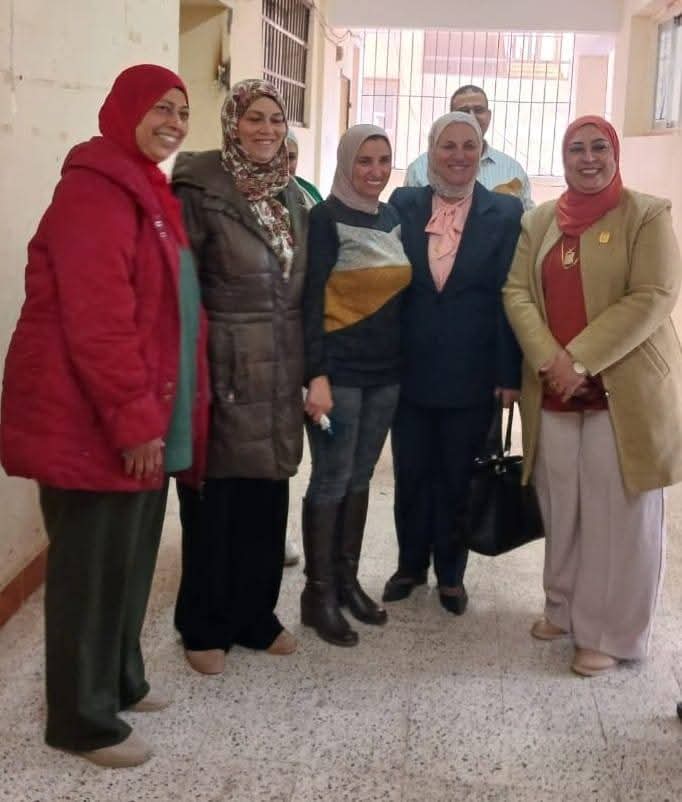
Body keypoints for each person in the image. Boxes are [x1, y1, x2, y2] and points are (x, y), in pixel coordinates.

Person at [0, 64, 208, 768]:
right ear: (124, 110)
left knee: (127, 560)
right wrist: (134, 419)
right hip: (93, 418)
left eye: (182, 111)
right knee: (89, 574)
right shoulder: (93, 190)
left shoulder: (145, 187)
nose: (174, 122)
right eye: (160, 109)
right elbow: (99, 319)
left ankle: (119, 680)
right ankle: (81, 722)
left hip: (140, 410)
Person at [503, 115, 682, 676]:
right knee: (563, 505)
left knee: (617, 514)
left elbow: (653, 295)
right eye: (576, 148)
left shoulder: (645, 214)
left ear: (614, 153)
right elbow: (517, 291)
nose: (587, 158)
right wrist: (551, 362)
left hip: (621, 392)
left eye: (598, 147)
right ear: (562, 157)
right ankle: (563, 607)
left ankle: (610, 633)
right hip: (555, 392)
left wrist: (578, 360)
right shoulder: (539, 220)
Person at [172, 79, 309, 675]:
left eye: (275, 119)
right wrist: (194, 369)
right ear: (232, 123)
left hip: (280, 369)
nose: (266, 129)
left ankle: (256, 616)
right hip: (222, 365)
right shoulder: (200, 191)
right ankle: (204, 623)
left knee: (266, 497)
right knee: (214, 500)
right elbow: (180, 288)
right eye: (254, 118)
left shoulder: (291, 194)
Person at [384, 112, 523, 613]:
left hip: (474, 371)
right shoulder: (403, 204)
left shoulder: (505, 212)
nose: (459, 155)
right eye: (448, 145)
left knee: (460, 476)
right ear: (431, 151)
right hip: (410, 369)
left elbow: (511, 296)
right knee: (412, 474)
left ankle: (450, 574)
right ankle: (409, 566)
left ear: (481, 153)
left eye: (469, 145)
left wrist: (509, 374)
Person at [301, 124, 412, 645]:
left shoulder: (390, 218)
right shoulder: (323, 219)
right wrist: (315, 375)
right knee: (331, 477)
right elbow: (308, 302)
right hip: (338, 376)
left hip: (384, 374)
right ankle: (317, 594)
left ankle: (346, 581)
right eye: (364, 160)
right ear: (347, 163)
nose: (375, 171)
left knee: (361, 476)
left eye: (383, 160)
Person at [405, 84, 534, 211]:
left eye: (478, 110)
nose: (472, 117)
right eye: (464, 111)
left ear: (489, 116)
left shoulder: (512, 170)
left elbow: (527, 219)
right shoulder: (419, 169)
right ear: (451, 117)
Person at [286, 130, 323, 209]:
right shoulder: (259, 195)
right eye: (278, 157)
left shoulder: (310, 191)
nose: (286, 165)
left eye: (291, 157)